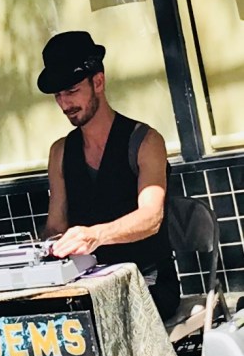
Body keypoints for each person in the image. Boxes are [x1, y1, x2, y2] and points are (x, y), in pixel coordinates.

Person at [38, 30, 180, 322]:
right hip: (86, 287)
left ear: (98, 82)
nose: (65, 104)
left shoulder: (146, 141)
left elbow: (151, 218)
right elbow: (56, 223)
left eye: (73, 91)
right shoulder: (60, 152)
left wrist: (96, 235)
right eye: (58, 95)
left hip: (148, 284)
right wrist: (44, 252)